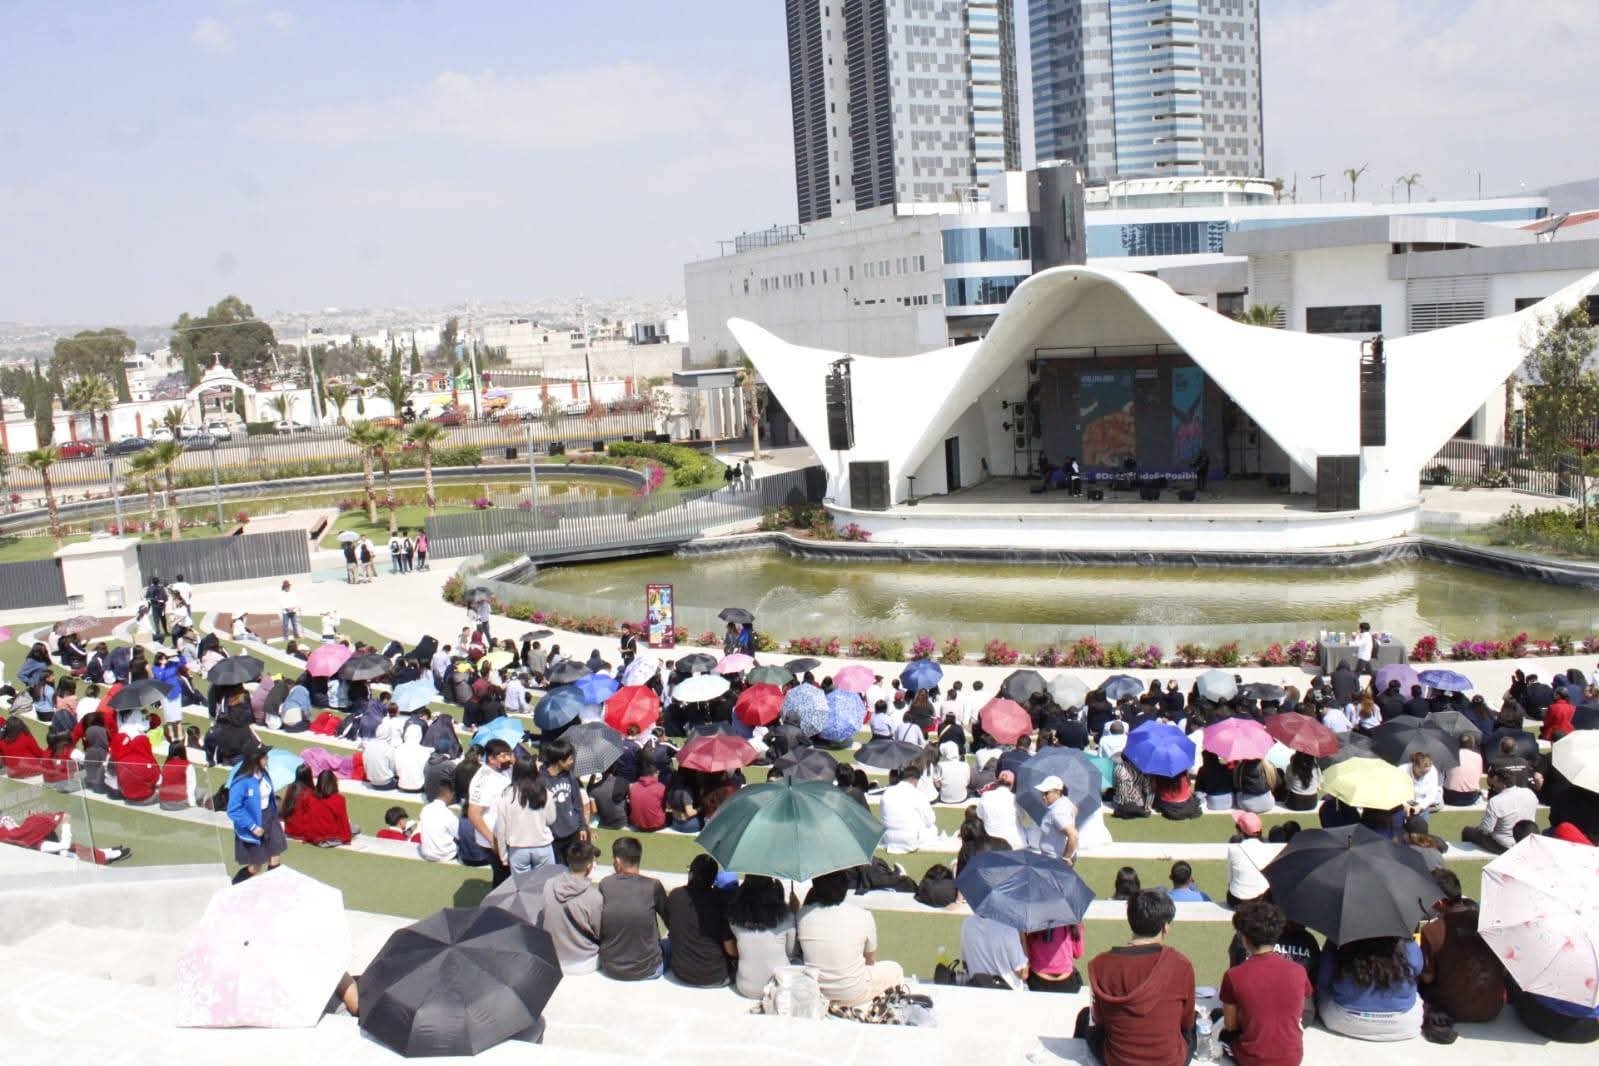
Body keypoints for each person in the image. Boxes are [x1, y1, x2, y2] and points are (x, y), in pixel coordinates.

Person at [1080, 890, 1196, 1066]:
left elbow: (1099, 1021)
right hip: (1170, 1061)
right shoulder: (1181, 965)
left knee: (1084, 1019)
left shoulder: (1099, 965)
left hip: (1117, 1060)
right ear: (1165, 926)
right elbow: (1186, 1022)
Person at [1219, 901, 1313, 1066]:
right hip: (1293, 1056)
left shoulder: (1234, 975)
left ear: (1245, 939)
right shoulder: (1298, 970)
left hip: (1252, 1059)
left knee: (1222, 1034)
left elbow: (1230, 1025)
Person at [797, 870, 904, 1007]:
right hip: (854, 993)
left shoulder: (801, 915)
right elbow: (870, 960)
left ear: (814, 887)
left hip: (817, 992)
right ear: (845, 886)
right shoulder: (863, 915)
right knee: (895, 968)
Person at [1418, 868, 1506, 1023]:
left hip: (1453, 1010)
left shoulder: (1432, 931)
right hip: (1493, 1007)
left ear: (1439, 902)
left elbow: (1427, 977)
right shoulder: (1489, 923)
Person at [1316, 936, 1424, 1041]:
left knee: (1323, 993)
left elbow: (1323, 981)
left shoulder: (1342, 946)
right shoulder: (1408, 946)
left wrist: (1330, 944)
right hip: (1404, 1025)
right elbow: (1418, 971)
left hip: (1342, 1021)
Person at [598, 836, 669, 980]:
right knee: (669, 944)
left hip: (610, 967)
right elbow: (671, 921)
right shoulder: (653, 886)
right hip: (649, 969)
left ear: (617, 861)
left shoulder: (605, 884)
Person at [666, 854, 737, 987]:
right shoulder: (721, 902)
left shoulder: (675, 895)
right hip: (715, 976)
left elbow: (672, 926)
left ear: (692, 874)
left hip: (681, 972)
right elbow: (730, 949)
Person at [728, 874, 799, 999]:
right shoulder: (786, 917)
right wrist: (794, 912)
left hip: (745, 987)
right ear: (771, 890)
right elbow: (792, 952)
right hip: (778, 987)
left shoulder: (734, 919)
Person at [226, 744, 287, 882]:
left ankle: (273, 890)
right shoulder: (241, 782)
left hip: (269, 818)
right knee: (256, 866)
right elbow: (233, 809)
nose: (267, 759)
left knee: (275, 857)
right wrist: (252, 826)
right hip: (253, 822)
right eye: (264, 756)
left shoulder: (264, 774)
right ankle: (235, 885)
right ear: (255, 759)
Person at [543, 840, 604, 975]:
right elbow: (601, 932)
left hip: (553, 957)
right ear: (589, 866)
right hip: (584, 962)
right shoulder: (594, 896)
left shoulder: (548, 884)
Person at [494, 758, 557, 874]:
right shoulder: (545, 793)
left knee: (522, 888)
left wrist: (503, 855)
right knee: (544, 884)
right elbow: (551, 820)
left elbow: (501, 830)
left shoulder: (507, 796)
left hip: (518, 848)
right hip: (542, 846)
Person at [466, 738, 516, 883]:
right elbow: (474, 814)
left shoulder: (503, 770)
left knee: (507, 877)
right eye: (503, 755)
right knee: (503, 879)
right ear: (492, 759)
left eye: (509, 754)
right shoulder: (484, 780)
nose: (507, 758)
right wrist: (493, 842)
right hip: (493, 839)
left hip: (504, 834)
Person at [1461, 767, 1537, 853]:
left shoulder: (1496, 801)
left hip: (1504, 845)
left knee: (1467, 831)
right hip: (1525, 839)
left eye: (1496, 781)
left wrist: (1479, 828)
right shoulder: (1529, 793)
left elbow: (1486, 830)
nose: (1493, 784)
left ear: (1503, 784)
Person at [960, 907, 1029, 990]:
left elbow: (965, 964)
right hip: (1008, 993)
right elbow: (1023, 974)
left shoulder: (967, 923)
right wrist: (1022, 938)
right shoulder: (1009, 929)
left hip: (976, 989)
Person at [878, 764, 943, 853]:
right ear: (914, 780)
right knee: (933, 829)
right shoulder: (918, 794)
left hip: (888, 838)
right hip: (909, 840)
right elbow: (930, 820)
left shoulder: (887, 792)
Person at [1226, 811, 1279, 906]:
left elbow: (1230, 880)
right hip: (1261, 899)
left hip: (1236, 900)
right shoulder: (1269, 849)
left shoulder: (1233, 849)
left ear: (1240, 831)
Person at [1033, 774, 1080, 862]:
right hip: (1054, 857)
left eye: (1046, 793)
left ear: (1058, 792)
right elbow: (1075, 809)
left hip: (1054, 860)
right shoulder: (1065, 802)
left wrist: (1066, 858)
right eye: (1042, 793)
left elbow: (1073, 835)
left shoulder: (1057, 812)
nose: (1043, 796)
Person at [975, 770, 1023, 848]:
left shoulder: (986, 795)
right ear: (1012, 784)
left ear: (997, 782)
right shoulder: (1016, 799)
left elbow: (979, 815)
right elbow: (1022, 817)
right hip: (1014, 842)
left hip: (990, 842)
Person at [418, 780, 459, 862]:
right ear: (449, 794)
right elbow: (459, 836)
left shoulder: (425, 809)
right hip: (445, 855)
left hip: (426, 853)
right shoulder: (449, 815)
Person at [1443, 733, 1483, 806]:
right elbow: (1478, 777)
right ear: (1472, 744)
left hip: (1450, 796)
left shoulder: (1449, 755)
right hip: (1471, 797)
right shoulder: (1478, 756)